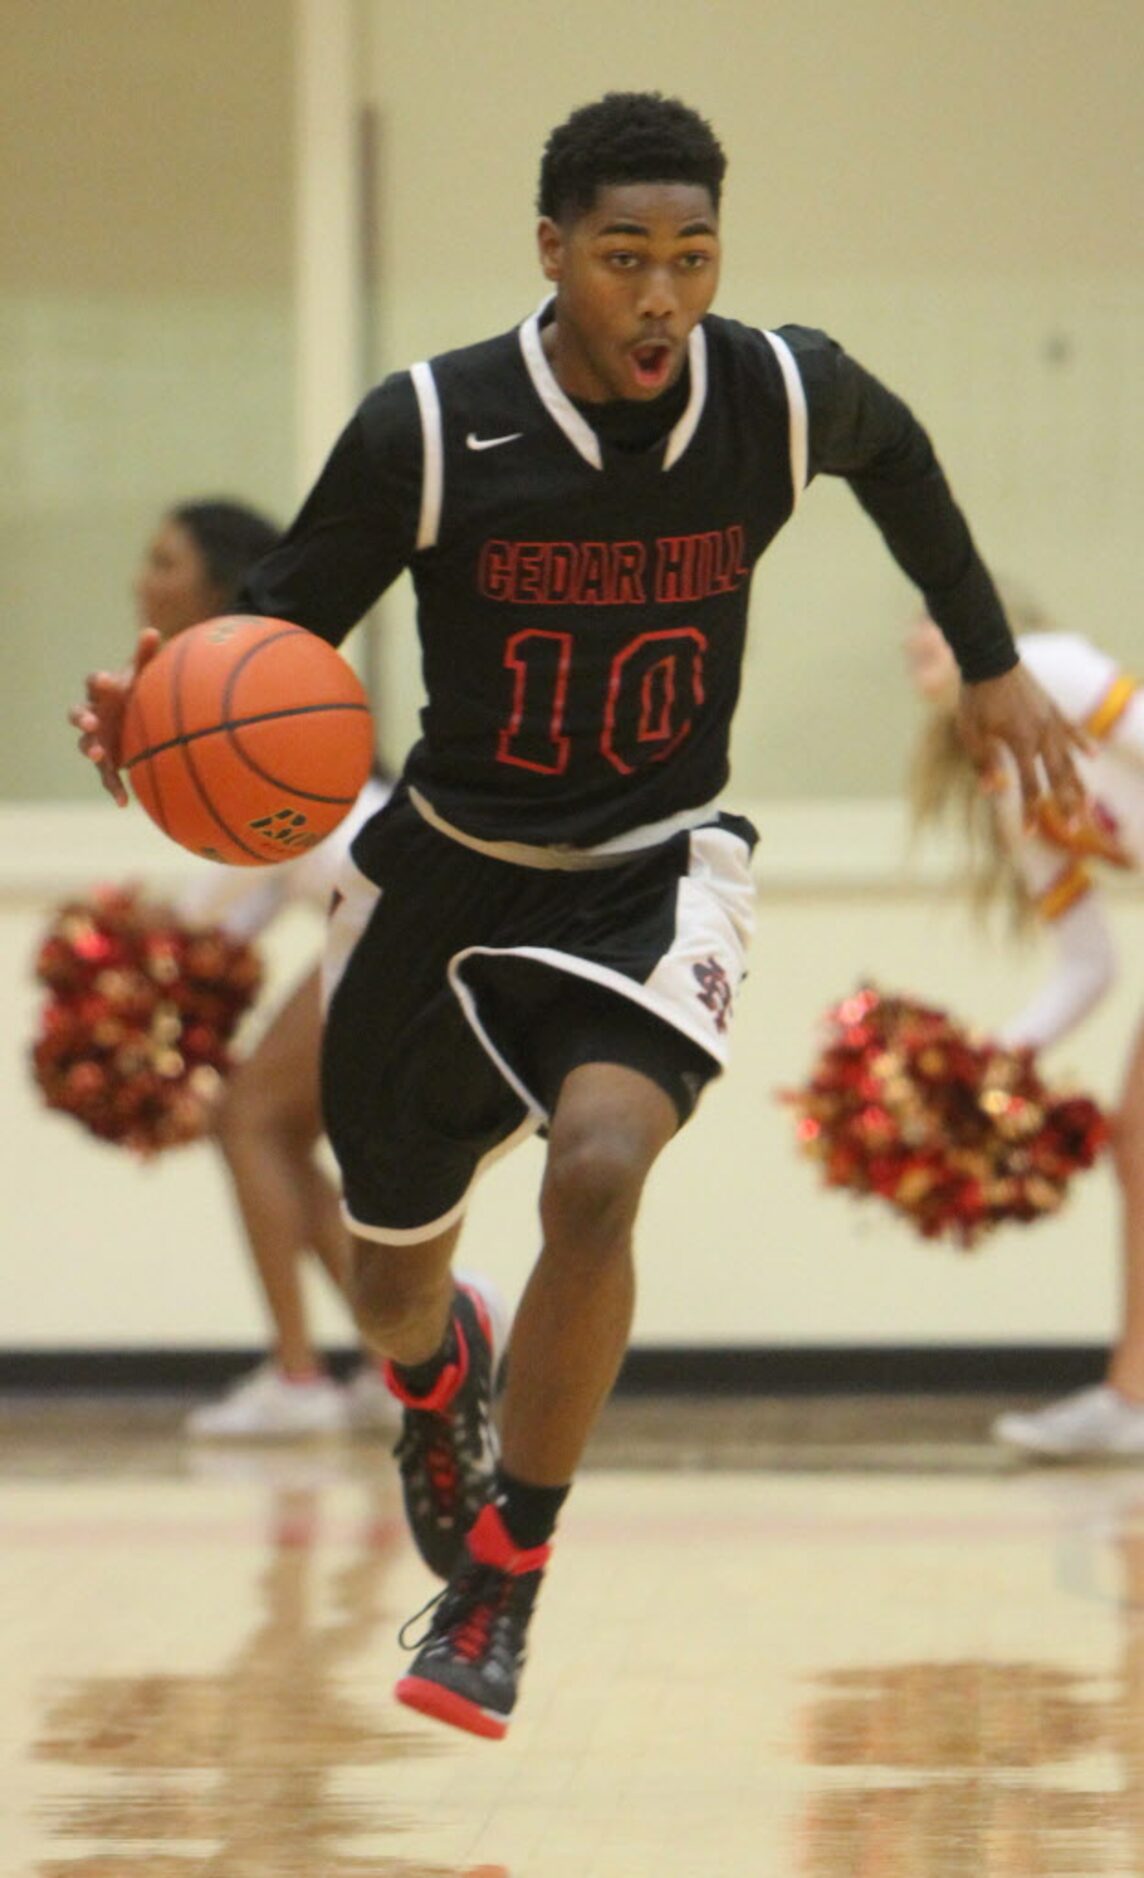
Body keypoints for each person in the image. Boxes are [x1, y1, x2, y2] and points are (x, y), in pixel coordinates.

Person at [73, 93, 1087, 1739]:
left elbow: (893, 451)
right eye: (625, 257)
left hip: (651, 861)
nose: (662, 295)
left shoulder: (771, 390)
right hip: (445, 875)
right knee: (394, 1282)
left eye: (691, 256)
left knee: (601, 1171)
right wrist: (159, 715)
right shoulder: (429, 424)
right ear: (551, 253)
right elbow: (279, 633)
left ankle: (500, 1574)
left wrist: (979, 658)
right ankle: (428, 1375)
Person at [135, 500, 399, 1439]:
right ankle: (393, 1365)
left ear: (213, 584)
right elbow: (249, 878)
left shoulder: (234, 679)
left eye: (163, 560)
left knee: (247, 1117)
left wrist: (137, 928)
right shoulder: (218, 679)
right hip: (376, 923)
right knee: (275, 1135)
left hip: (386, 922)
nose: (142, 580)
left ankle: (299, 1378)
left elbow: (238, 859)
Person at [907, 601, 1144, 1458]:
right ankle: (1134, 1395)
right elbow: (1089, 965)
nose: (914, 640)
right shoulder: (1012, 791)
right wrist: (987, 1066)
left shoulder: (1055, 670)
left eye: (935, 619)